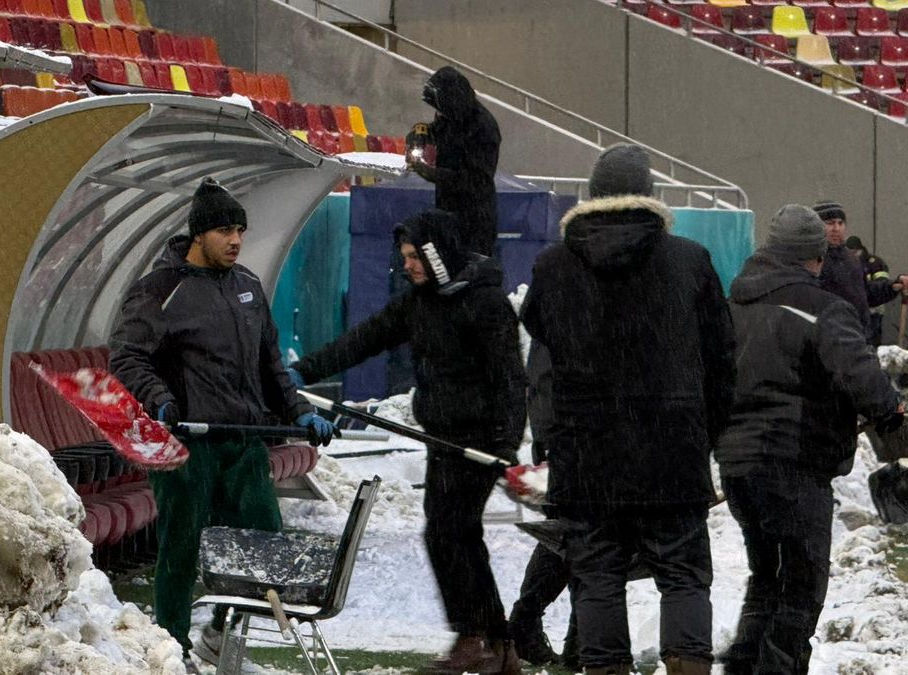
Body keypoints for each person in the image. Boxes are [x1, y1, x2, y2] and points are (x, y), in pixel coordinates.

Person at [519, 143, 736, 675]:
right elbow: (722, 359)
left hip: (587, 454)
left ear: (594, 195)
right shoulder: (690, 260)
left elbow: (539, 337)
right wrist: (703, 434)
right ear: (648, 195)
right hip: (672, 449)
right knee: (683, 577)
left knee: (596, 581)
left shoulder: (553, 266)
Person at [108, 178, 336, 673]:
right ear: (198, 235)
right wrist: (161, 402)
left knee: (262, 545)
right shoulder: (159, 289)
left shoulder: (248, 287)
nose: (235, 240)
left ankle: (219, 636)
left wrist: (300, 413)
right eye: (224, 230)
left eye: (240, 230)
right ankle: (171, 652)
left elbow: (270, 366)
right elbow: (126, 357)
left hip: (243, 443)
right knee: (182, 548)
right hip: (186, 445)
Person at [289, 208, 526, 675]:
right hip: (443, 438)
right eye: (404, 257)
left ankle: (475, 638)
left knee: (448, 533)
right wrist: (303, 371)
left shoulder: (485, 303)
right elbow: (364, 339)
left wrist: (506, 442)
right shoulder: (419, 302)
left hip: (477, 441)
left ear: (437, 254)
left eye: (415, 256)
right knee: (457, 536)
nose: (408, 266)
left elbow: (509, 380)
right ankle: (495, 644)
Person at [717, 204, 904, 675]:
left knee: (767, 579)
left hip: (738, 461)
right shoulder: (821, 308)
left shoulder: (735, 305)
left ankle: (743, 666)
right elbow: (859, 374)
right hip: (795, 461)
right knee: (801, 586)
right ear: (813, 257)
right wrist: (890, 410)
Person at [503, 342, 579, 670]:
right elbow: (544, 378)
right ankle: (580, 641)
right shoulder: (568, 301)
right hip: (574, 442)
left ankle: (526, 623)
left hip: (579, 439)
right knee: (585, 539)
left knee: (570, 539)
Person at [406, 65, 502, 257]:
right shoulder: (452, 117)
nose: (439, 113)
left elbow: (478, 180)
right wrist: (421, 133)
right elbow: (437, 131)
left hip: (474, 221)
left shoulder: (483, 128)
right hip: (447, 211)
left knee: (470, 273)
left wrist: (434, 174)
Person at [813, 201, 907, 339]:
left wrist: (892, 287)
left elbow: (864, 293)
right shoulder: (812, 260)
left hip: (858, 336)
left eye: (840, 223)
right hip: (828, 339)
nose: (836, 228)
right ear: (816, 226)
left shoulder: (851, 259)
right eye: (830, 223)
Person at [845, 234, 907, 347]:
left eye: (855, 252)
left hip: (874, 309)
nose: (852, 255)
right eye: (850, 252)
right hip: (853, 310)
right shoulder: (845, 263)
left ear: (860, 250)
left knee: (872, 339)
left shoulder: (874, 263)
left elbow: (881, 283)